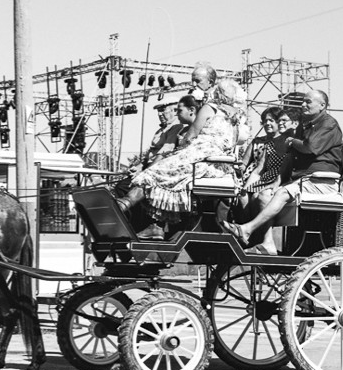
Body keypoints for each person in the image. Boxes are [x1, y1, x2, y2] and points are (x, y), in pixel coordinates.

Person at [221, 89, 343, 253]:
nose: (303, 104)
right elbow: (290, 157)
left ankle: (247, 229)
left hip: (320, 180)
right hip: (302, 180)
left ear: (322, 105)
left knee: (282, 193)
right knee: (264, 194)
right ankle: (267, 243)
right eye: (303, 101)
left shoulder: (329, 124)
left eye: (308, 102)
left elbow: (310, 148)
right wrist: (277, 182)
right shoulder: (305, 124)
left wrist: (292, 141)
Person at [117, 76, 249, 226]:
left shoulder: (210, 108)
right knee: (168, 177)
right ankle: (154, 226)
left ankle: (125, 204)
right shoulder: (238, 116)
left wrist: (178, 151)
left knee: (153, 172)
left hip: (199, 157)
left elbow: (190, 136)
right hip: (220, 165)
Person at [114, 95, 200, 238]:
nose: (160, 114)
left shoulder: (176, 129)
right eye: (158, 111)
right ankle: (131, 224)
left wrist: (146, 172)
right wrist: (140, 166)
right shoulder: (162, 131)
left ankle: (140, 225)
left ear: (174, 111)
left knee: (130, 186)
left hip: (165, 167)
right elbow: (150, 153)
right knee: (122, 185)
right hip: (154, 165)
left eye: (163, 110)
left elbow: (164, 154)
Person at [235, 106, 292, 253]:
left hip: (275, 179)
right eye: (264, 121)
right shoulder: (260, 142)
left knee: (257, 196)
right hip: (258, 178)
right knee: (243, 197)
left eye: (271, 120)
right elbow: (255, 167)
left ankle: (256, 235)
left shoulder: (287, 141)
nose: (267, 124)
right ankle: (248, 233)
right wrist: (245, 185)